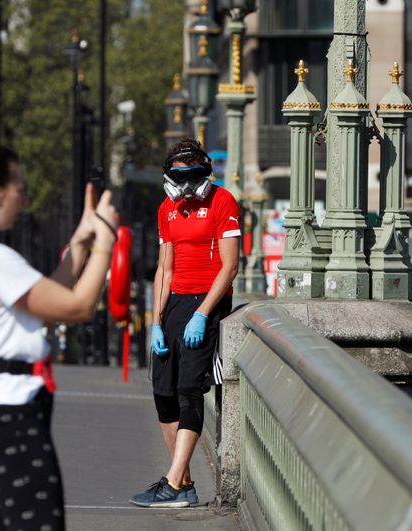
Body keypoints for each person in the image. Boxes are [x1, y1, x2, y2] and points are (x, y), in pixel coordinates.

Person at [0, 143, 118, 530]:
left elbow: (47, 304)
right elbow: (79, 307)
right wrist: (107, 242)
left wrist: (80, 244)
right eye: (20, 189)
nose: (24, 200)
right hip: (9, 411)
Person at [130, 138, 240, 508]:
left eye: (195, 174)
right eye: (182, 176)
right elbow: (165, 267)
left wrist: (203, 313)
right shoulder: (166, 209)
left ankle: (173, 483)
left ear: (204, 172)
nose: (189, 184)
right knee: (163, 394)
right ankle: (185, 484)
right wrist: (156, 321)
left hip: (206, 304)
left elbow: (230, 266)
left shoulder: (223, 202)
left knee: (189, 390)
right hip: (174, 303)